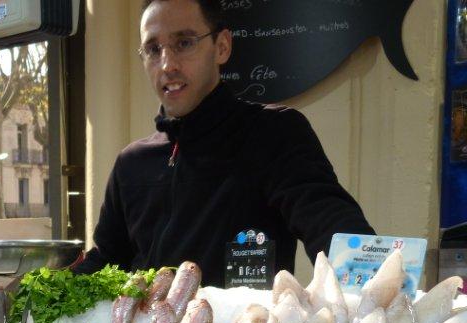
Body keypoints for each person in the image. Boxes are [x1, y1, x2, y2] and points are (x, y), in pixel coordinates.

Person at [76, 0, 374, 286]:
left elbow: (329, 221)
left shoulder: (274, 133)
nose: (167, 65)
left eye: (184, 42)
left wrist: (379, 283)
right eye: (153, 49)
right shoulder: (131, 163)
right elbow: (107, 260)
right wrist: (44, 288)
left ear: (222, 46)